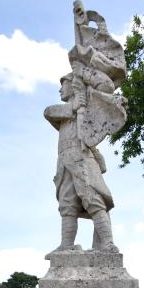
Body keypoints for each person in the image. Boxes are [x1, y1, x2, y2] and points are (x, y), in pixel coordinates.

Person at [44, 72, 118, 252]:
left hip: (82, 158)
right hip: (64, 161)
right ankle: (66, 245)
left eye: (64, 84)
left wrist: (82, 106)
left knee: (93, 199)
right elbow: (48, 112)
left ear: (73, 85)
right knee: (67, 204)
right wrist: (73, 108)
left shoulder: (87, 110)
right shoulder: (66, 112)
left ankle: (107, 243)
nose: (60, 89)